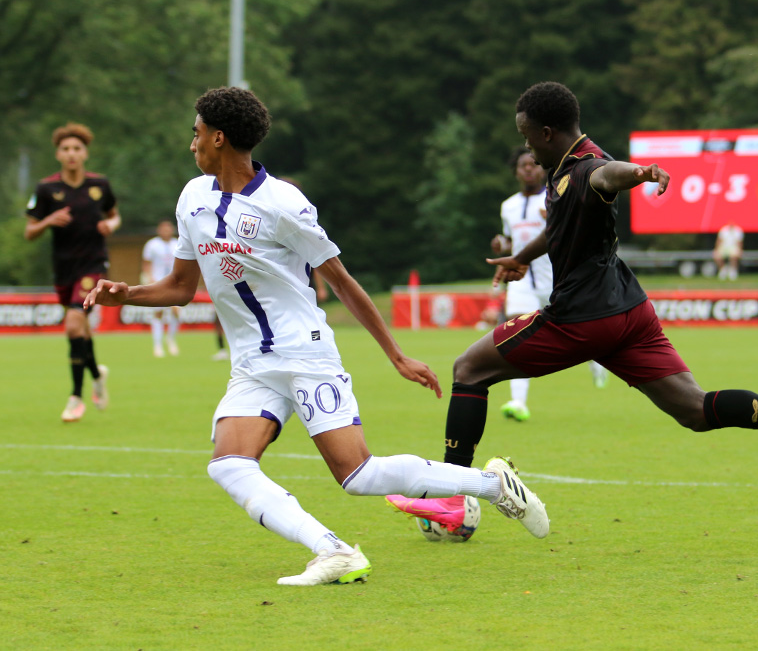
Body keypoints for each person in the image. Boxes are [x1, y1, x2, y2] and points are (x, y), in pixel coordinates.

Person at [84, 87, 548, 586]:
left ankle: (490, 484)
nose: (190, 143)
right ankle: (332, 550)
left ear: (219, 138)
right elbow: (179, 288)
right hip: (252, 365)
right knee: (228, 464)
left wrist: (395, 354)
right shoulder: (192, 197)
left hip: (304, 353)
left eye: (195, 133)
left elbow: (343, 284)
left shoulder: (283, 203)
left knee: (358, 476)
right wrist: (125, 294)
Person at [387, 81, 758, 538]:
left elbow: (610, 175)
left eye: (526, 136)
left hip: (582, 319)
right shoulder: (565, 170)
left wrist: (643, 173)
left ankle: (451, 495)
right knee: (694, 408)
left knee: (468, 369)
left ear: (547, 133)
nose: (526, 147)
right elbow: (562, 226)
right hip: (630, 314)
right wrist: (521, 259)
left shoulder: (590, 167)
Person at [493, 148, 609, 422]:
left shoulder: (555, 196)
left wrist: (557, 221)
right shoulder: (508, 206)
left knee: (579, 329)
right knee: (515, 335)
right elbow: (510, 241)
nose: (529, 169)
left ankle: (596, 359)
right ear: (516, 171)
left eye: (533, 164)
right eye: (523, 165)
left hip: (556, 277)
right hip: (521, 281)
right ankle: (518, 402)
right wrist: (501, 245)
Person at [24, 122, 118, 422]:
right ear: (58, 154)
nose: (71, 153)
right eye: (66, 149)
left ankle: (76, 397)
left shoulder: (100, 185)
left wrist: (110, 226)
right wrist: (48, 220)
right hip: (63, 268)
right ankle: (97, 375)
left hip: (93, 265)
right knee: (81, 330)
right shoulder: (46, 188)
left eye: (77, 148)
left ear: (85, 153)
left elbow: (114, 216)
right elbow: (29, 231)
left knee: (73, 325)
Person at [142, 220, 180, 357]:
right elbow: (146, 264)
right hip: (157, 282)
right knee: (158, 313)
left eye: (168, 229)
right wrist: (149, 279)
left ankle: (171, 339)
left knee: (176, 311)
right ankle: (157, 345)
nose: (166, 231)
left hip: (174, 283)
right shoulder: (152, 245)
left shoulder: (177, 243)